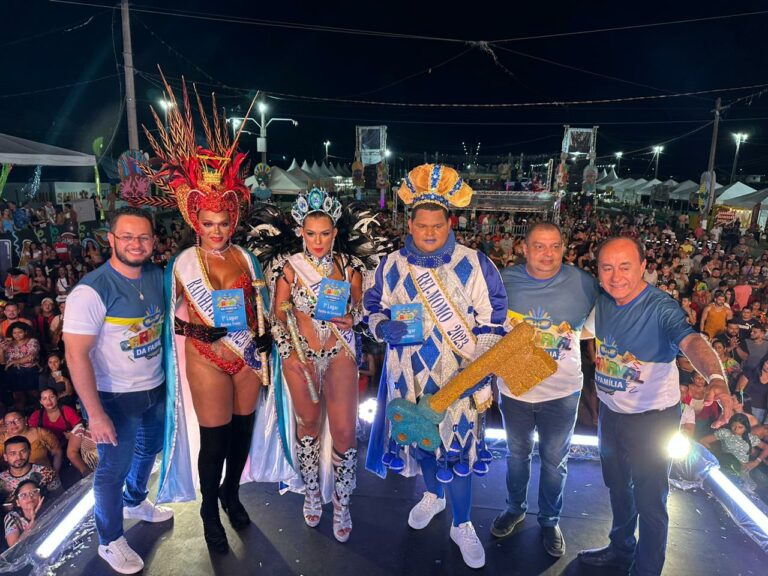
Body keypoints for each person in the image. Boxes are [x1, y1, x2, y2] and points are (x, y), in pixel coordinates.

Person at [135, 81, 271, 556]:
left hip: (246, 357)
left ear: (234, 220)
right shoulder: (182, 266)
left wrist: (267, 335)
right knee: (213, 443)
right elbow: (164, 321)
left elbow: (261, 308)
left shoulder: (249, 260)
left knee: (241, 437)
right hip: (206, 357)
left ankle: (233, 494)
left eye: (223, 222)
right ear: (196, 220)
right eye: (208, 223)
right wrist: (199, 330)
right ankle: (209, 509)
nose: (216, 231)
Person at [365, 165, 508, 569]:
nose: (429, 233)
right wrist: (381, 326)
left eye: (437, 225)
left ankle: (461, 524)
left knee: (458, 454)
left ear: (450, 222)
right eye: (422, 225)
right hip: (407, 379)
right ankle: (433, 494)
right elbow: (371, 307)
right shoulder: (390, 264)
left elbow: (494, 320)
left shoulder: (477, 264)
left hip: (458, 382)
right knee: (423, 443)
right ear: (409, 223)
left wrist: (474, 372)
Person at [578, 237, 732, 576]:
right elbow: (575, 331)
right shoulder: (603, 303)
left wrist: (716, 377)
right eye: (607, 268)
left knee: (650, 501)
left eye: (625, 267)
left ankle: (646, 570)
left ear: (644, 267)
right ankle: (620, 549)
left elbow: (692, 340)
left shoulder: (661, 307)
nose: (615, 276)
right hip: (611, 414)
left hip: (652, 420)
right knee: (618, 487)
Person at [64, 206, 172, 574]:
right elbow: (75, 355)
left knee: (149, 449)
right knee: (111, 470)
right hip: (114, 398)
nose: (136, 244)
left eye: (143, 237)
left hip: (154, 388)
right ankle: (110, 540)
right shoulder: (91, 290)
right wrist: (95, 414)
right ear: (111, 239)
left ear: (153, 241)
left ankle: (136, 500)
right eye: (127, 236)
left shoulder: (157, 275)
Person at [492, 222, 598, 557]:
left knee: (555, 462)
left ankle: (550, 520)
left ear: (564, 247)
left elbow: (592, 329)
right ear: (523, 248)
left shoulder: (584, 283)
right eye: (539, 246)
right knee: (516, 457)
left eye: (554, 246)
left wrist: (557, 341)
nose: (547, 254)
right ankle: (515, 507)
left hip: (562, 392)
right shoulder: (503, 280)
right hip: (515, 391)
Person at [268, 189, 365, 543]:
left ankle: (342, 501)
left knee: (344, 431)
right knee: (308, 424)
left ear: (335, 232)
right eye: (311, 233)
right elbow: (277, 312)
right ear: (301, 232)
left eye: (325, 233)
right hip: (302, 355)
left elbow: (360, 307)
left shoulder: (350, 267)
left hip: (340, 354)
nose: (318, 241)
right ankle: (311, 492)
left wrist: (352, 318)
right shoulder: (288, 267)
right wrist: (290, 351)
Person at [29, 387, 90, 477]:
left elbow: (81, 429)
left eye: (52, 397)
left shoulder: (67, 411)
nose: (49, 401)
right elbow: (31, 434)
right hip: (47, 451)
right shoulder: (36, 416)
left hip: (67, 448)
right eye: (44, 398)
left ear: (57, 397)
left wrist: (73, 435)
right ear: (41, 402)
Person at [0, 436, 61, 507]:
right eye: (13, 453)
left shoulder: (46, 473)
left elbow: (60, 497)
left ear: (29, 452)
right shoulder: (1, 480)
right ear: (5, 457)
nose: (19, 457)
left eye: (23, 452)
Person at [1, 322, 41, 411]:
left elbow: (31, 357)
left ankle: (38, 414)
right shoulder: (9, 344)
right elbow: (3, 362)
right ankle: (21, 416)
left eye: (20, 332)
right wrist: (2, 350)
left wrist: (15, 362)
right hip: (14, 373)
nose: (17, 335)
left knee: (34, 395)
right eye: (14, 333)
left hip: (30, 370)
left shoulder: (32, 341)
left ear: (25, 332)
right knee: (18, 397)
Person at [4, 479, 46, 547]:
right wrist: (33, 521)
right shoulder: (12, 517)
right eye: (23, 495)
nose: (29, 497)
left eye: (34, 492)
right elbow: (13, 547)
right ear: (18, 503)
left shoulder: (51, 507)